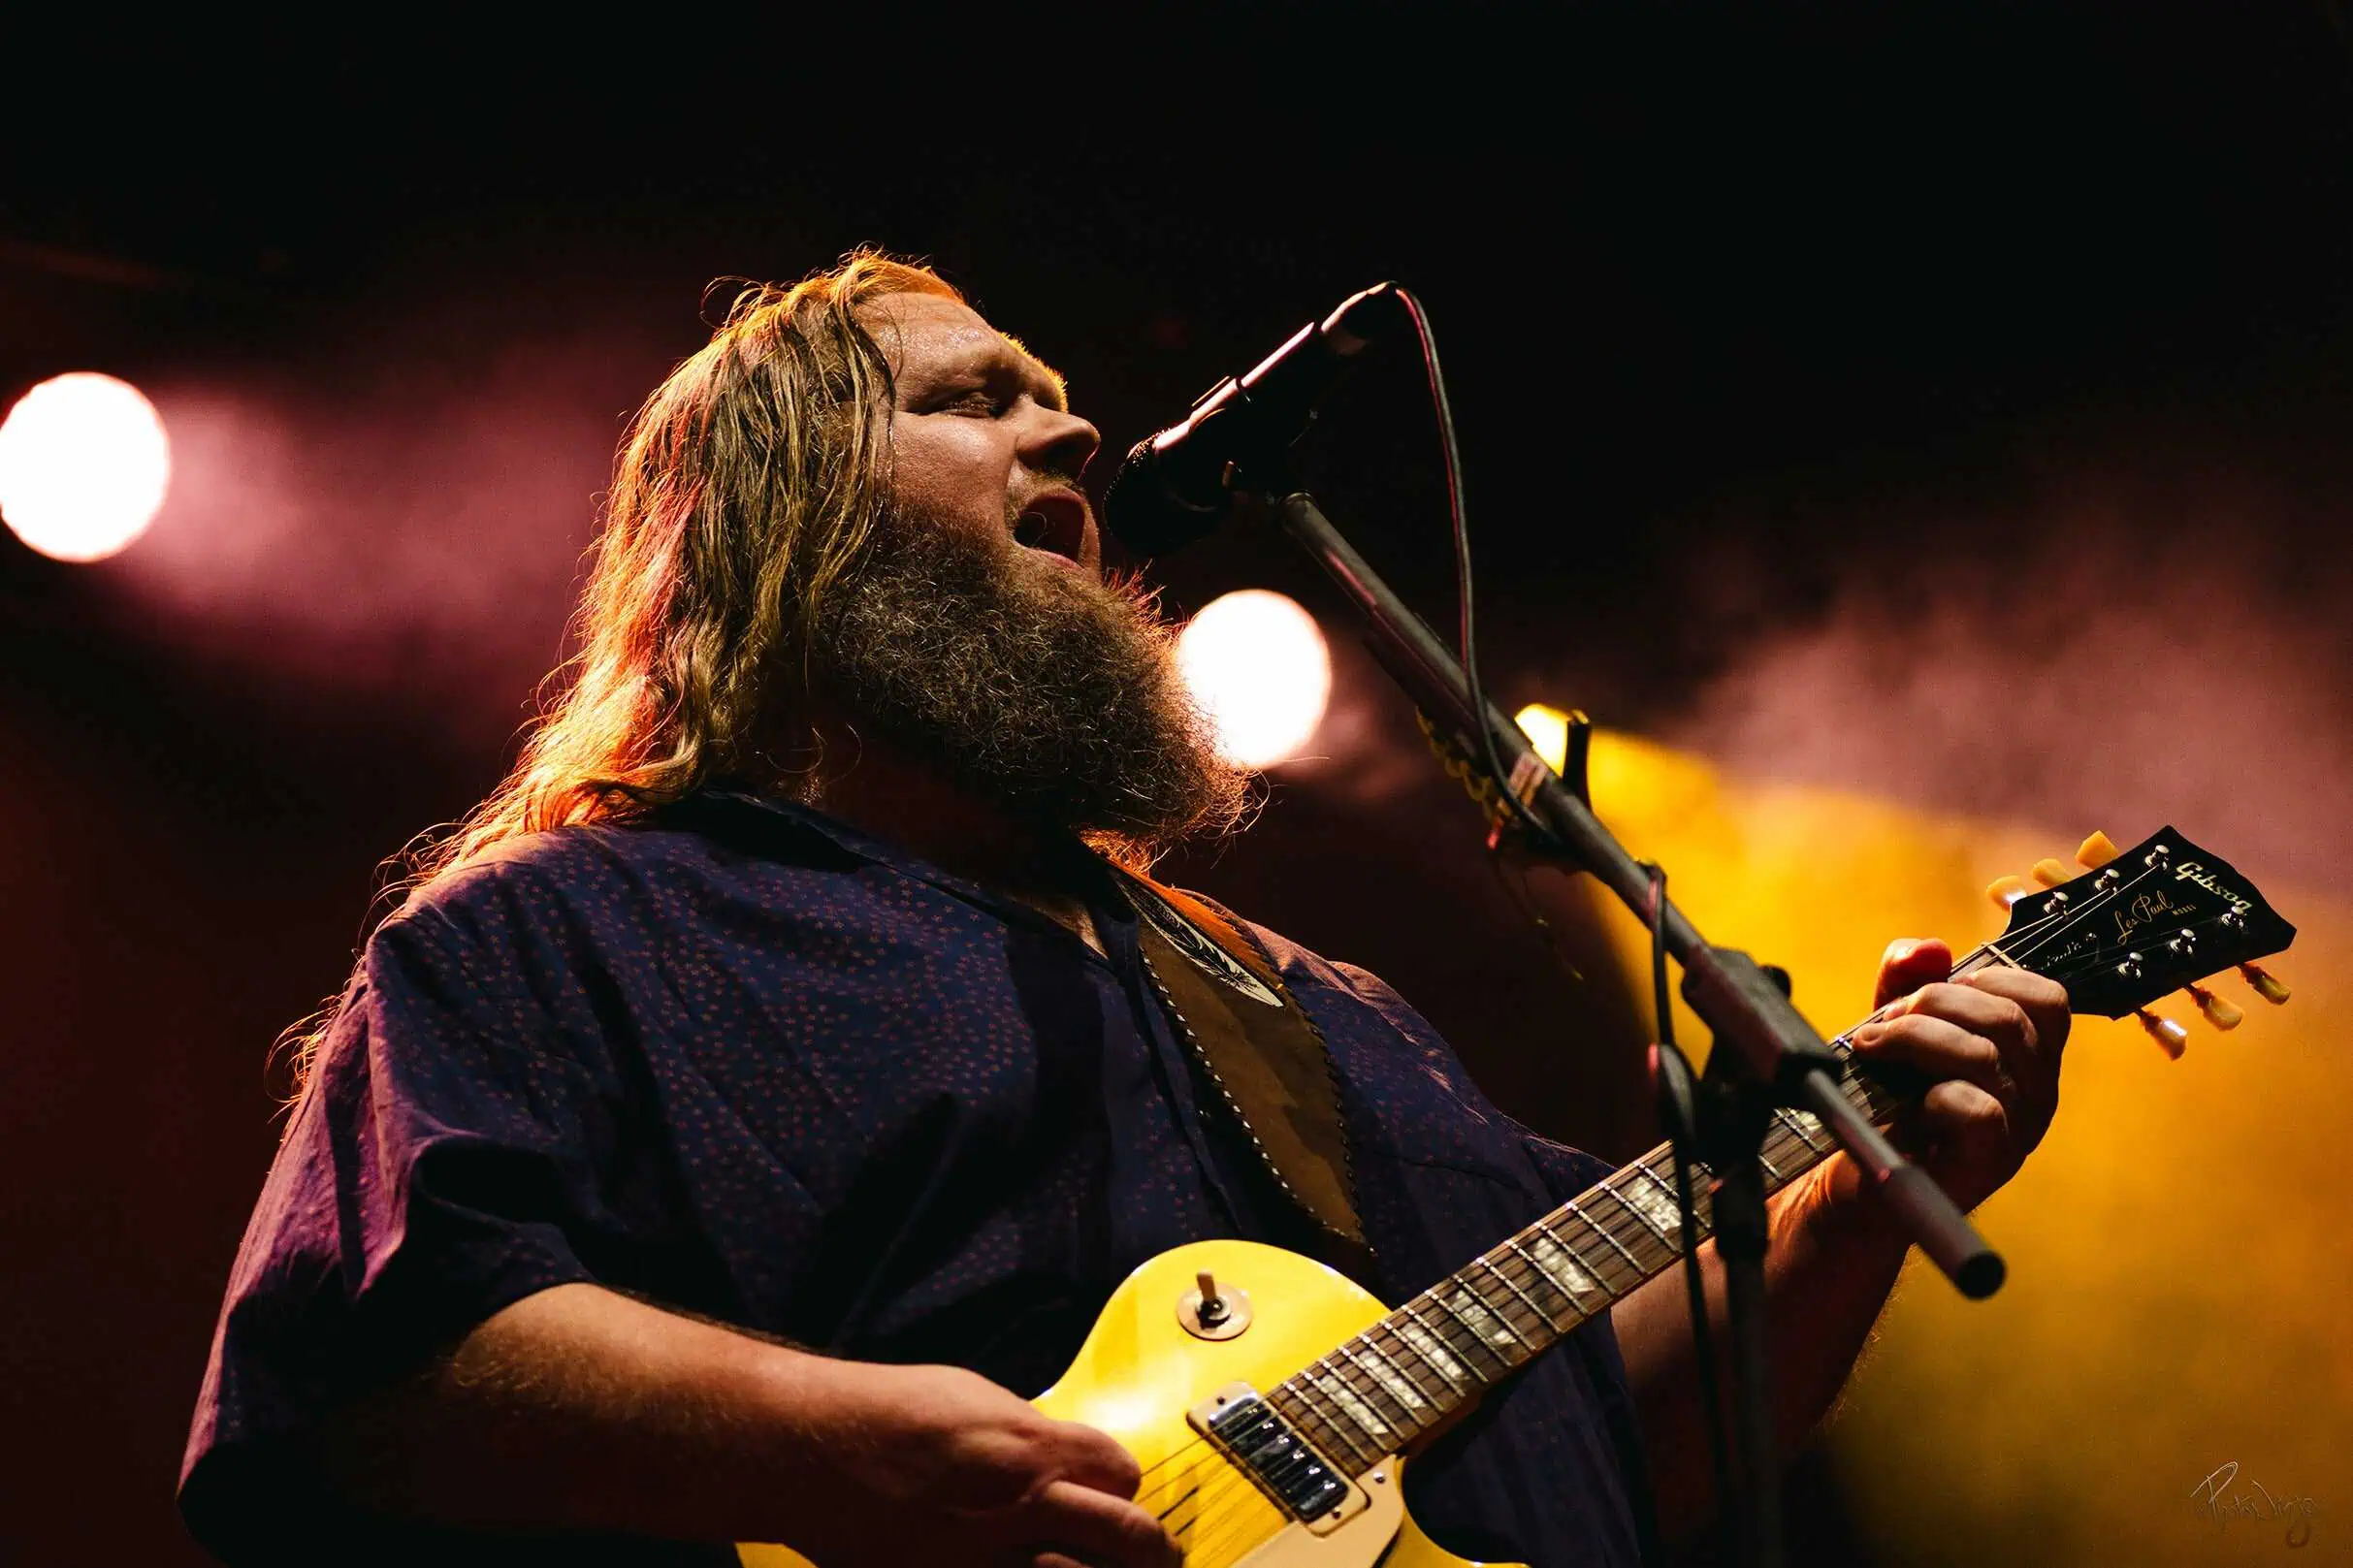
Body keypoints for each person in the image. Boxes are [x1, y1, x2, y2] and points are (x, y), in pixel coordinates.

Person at [179, 252, 2070, 1568]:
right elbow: (366, 1363)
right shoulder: (570, 935)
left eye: (1064, 402)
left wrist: (1843, 1206)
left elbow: (1611, 1447)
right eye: (976, 398)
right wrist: (823, 1446)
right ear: (784, 524)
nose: (1076, 437)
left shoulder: (1319, 1008)